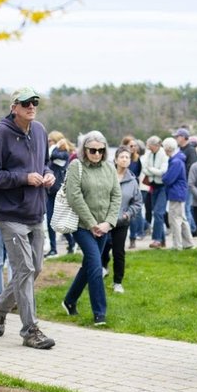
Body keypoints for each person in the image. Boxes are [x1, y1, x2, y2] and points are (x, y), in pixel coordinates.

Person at [0, 87, 57, 349]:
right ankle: (30, 330)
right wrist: (23, 178)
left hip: (36, 211)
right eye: (25, 102)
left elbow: (44, 162)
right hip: (10, 214)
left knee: (35, 268)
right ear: (14, 107)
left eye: (35, 102)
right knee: (24, 269)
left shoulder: (39, 130)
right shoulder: (1, 133)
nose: (31, 106)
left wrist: (48, 175)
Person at [59, 131, 121, 326]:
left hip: (103, 227)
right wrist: (91, 223)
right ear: (84, 150)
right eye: (92, 150)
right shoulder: (76, 166)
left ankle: (69, 301)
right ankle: (99, 313)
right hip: (82, 226)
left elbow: (116, 196)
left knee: (88, 266)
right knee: (95, 266)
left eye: (100, 150)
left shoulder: (110, 168)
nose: (96, 154)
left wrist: (108, 223)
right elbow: (74, 197)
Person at [101, 146, 142, 294]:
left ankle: (117, 282)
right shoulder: (106, 175)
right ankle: (102, 268)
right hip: (104, 220)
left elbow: (137, 203)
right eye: (122, 157)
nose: (124, 159)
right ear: (116, 159)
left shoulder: (132, 180)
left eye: (127, 157)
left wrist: (127, 214)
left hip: (121, 222)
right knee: (104, 247)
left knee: (119, 252)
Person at [161, 137, 192, 249]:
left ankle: (177, 245)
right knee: (182, 219)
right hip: (179, 193)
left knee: (175, 220)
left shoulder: (176, 162)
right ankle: (188, 243)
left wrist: (163, 176)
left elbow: (168, 179)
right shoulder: (178, 160)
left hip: (176, 193)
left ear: (168, 149)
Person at [44, 133, 71, 257]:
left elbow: (53, 156)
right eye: (48, 141)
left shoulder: (63, 154)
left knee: (60, 221)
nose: (49, 142)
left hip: (59, 192)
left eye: (51, 141)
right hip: (49, 192)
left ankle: (71, 242)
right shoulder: (51, 153)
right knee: (50, 221)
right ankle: (53, 248)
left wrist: (55, 146)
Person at [140, 135, 167, 247]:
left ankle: (156, 239)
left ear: (155, 145)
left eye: (150, 146)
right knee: (155, 212)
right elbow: (144, 168)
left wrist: (151, 170)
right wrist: (153, 171)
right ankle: (162, 240)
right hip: (153, 186)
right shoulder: (149, 154)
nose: (148, 148)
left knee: (158, 212)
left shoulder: (163, 155)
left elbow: (162, 171)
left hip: (162, 187)